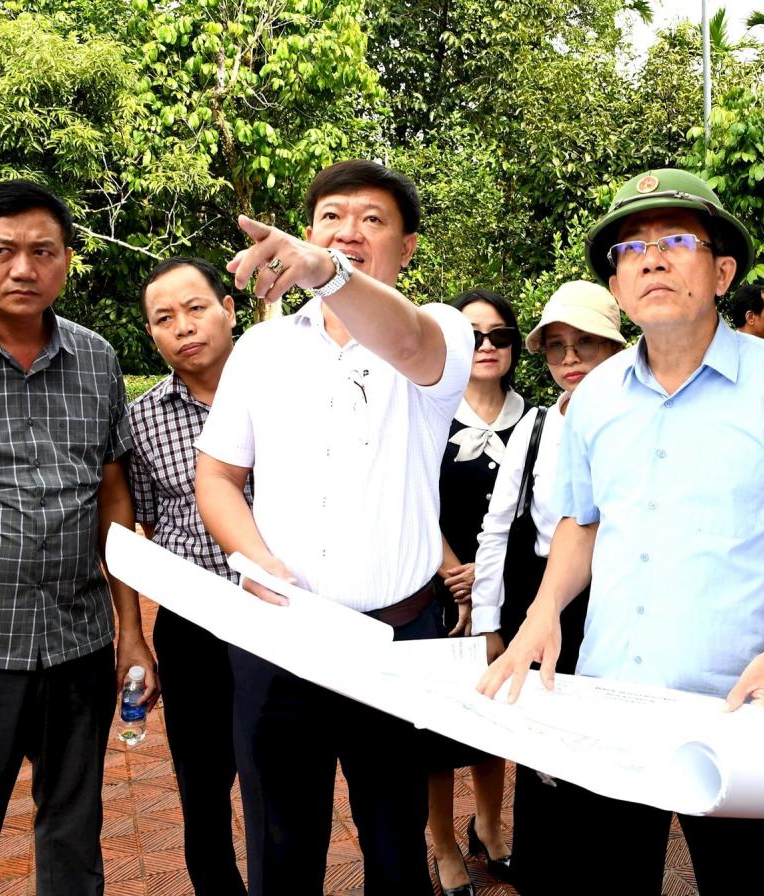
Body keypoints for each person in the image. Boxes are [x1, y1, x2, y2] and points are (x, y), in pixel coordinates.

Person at [479, 168, 764, 895]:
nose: (652, 259)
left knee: (736, 886)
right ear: (618, 285)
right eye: (630, 249)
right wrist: (540, 614)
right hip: (610, 704)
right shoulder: (594, 398)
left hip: (736, 710)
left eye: (677, 240)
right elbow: (581, 520)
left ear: (723, 271)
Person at [194, 158, 474, 896]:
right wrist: (257, 560)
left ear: (407, 247)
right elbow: (217, 478)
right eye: (332, 218)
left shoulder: (439, 334)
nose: (349, 232)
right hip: (279, 643)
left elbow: (410, 343)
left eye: (372, 220)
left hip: (392, 643)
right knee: (281, 854)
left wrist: (329, 274)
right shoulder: (260, 350)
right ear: (308, 228)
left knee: (393, 848)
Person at [0, 179, 158, 896]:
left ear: (66, 260)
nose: (23, 269)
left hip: (75, 645)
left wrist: (129, 631)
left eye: (42, 252)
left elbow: (112, 494)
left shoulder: (96, 359)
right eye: (3, 250)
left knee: (73, 842)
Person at [470, 279, 625, 894]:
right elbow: (494, 529)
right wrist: (490, 623)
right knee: (543, 756)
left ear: (616, 344)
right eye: (556, 346)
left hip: (621, 603)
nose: (570, 359)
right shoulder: (535, 430)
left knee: (609, 749)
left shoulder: (644, 421)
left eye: (586, 343)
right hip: (549, 601)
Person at [128, 257, 247, 896]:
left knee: (283, 772)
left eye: (195, 308)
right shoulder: (141, 420)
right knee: (202, 781)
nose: (184, 328)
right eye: (164, 319)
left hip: (283, 620)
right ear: (152, 335)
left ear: (228, 307)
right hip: (194, 623)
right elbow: (148, 519)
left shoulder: (283, 394)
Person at [428, 288, 531, 896]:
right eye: (472, 336)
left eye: (498, 336)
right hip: (439, 588)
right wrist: (454, 572)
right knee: (438, 729)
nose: (486, 347)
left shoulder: (538, 417)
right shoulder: (428, 413)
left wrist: (490, 581)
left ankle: (490, 828)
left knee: (496, 720)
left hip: (513, 595)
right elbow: (411, 496)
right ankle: (442, 845)